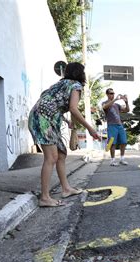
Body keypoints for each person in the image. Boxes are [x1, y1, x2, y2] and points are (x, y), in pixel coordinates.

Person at [28, 62, 99, 207]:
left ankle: (66, 189)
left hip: (43, 117)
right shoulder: (76, 86)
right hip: (43, 120)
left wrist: (66, 120)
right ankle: (45, 197)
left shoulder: (60, 84)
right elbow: (73, 108)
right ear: (80, 73)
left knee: (61, 153)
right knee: (51, 157)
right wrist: (90, 128)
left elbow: (50, 101)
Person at [102, 88, 130, 166]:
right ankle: (113, 160)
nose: (112, 95)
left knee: (124, 142)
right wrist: (115, 99)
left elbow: (127, 110)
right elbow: (104, 107)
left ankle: (122, 159)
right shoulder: (104, 103)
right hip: (111, 125)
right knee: (112, 143)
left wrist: (126, 102)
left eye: (113, 93)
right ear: (107, 94)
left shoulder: (117, 105)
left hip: (119, 125)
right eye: (111, 93)